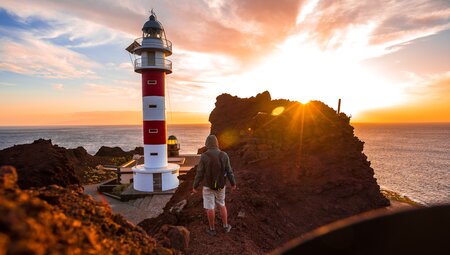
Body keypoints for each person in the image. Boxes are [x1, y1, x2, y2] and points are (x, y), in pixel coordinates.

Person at [192, 134, 237, 236]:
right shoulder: (224, 155)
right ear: (217, 143)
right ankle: (225, 226)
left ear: (207, 143)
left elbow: (199, 173)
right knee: (221, 204)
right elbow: (229, 171)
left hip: (208, 186)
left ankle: (212, 229)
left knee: (210, 207)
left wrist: (195, 186)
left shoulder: (204, 156)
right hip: (221, 186)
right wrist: (233, 184)